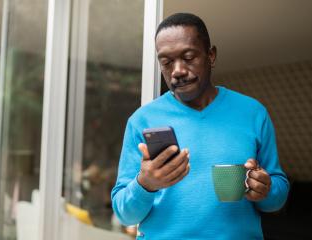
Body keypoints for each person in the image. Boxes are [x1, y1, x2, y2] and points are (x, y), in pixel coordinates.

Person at [111, 13, 289, 239]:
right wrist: (145, 184)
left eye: (188, 57)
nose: (177, 71)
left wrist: (266, 189)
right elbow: (124, 214)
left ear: (211, 55)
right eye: (166, 62)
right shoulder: (142, 120)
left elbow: (278, 197)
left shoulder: (253, 113)